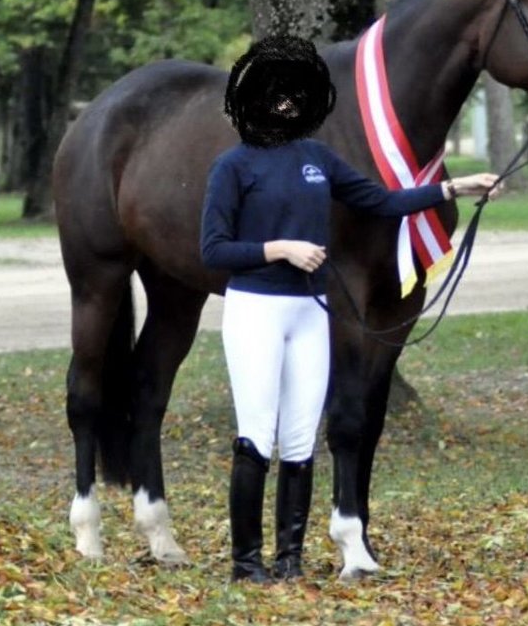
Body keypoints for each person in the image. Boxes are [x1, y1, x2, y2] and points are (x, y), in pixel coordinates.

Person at [200, 35, 501, 583]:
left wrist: (455, 186)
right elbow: (213, 249)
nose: (287, 102)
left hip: (311, 311)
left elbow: (382, 202)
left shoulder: (319, 159)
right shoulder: (234, 166)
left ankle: (289, 560)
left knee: (298, 437)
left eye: (295, 93)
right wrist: (278, 249)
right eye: (275, 93)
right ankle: (247, 562)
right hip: (256, 310)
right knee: (256, 434)